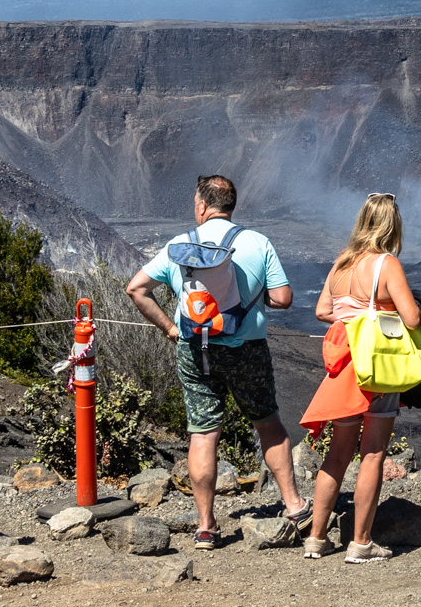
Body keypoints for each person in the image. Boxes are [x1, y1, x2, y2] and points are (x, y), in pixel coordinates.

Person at [127, 175, 311, 548]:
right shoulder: (257, 243)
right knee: (267, 422)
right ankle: (293, 505)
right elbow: (284, 297)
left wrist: (168, 327)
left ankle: (206, 525)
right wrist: (252, 300)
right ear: (231, 207)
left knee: (203, 432)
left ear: (201, 205)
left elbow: (136, 289)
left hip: (195, 349)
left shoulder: (179, 244)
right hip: (248, 349)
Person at [300, 193, 421, 563]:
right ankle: (361, 542)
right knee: (372, 455)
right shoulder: (387, 264)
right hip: (374, 368)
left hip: (343, 366)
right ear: (392, 225)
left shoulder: (341, 263)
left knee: (338, 453)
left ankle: (316, 538)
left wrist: (351, 320)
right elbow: (413, 318)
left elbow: (324, 310)